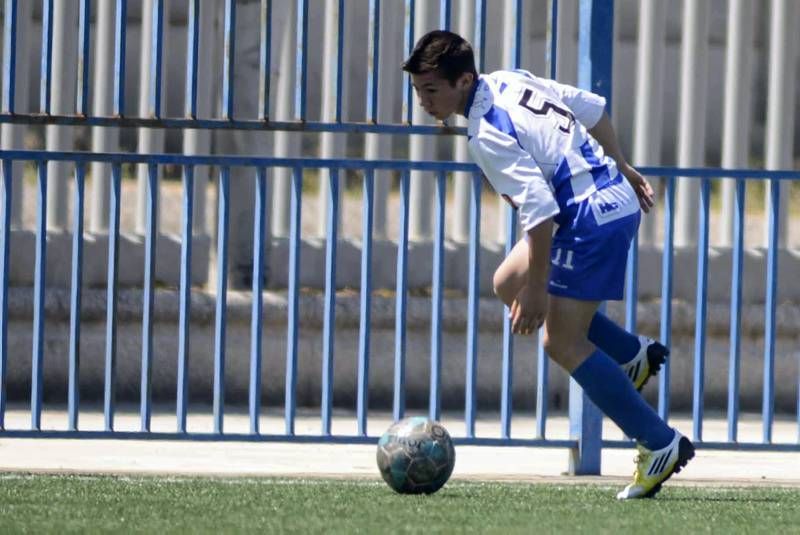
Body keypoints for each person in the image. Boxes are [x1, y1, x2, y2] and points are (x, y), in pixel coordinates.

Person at [402, 30, 694, 499]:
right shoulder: (511, 79)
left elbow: (539, 211)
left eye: (431, 90)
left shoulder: (485, 133)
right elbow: (593, 108)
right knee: (505, 284)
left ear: (464, 81)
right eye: (417, 91)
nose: (423, 101)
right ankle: (632, 354)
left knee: (558, 340)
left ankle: (659, 443)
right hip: (606, 200)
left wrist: (539, 289)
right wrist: (622, 166)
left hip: (587, 217)